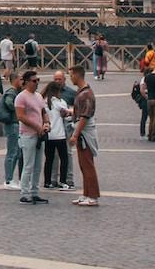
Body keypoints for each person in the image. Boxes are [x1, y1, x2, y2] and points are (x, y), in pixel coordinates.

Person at [13, 69, 49, 204]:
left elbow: (43, 111)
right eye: (34, 81)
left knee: (38, 165)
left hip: (39, 134)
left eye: (38, 80)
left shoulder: (39, 96)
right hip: (27, 135)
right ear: (27, 82)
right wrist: (36, 126)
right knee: (28, 164)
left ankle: (34, 192)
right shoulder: (21, 97)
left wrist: (46, 123)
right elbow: (20, 116)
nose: (37, 83)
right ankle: (25, 193)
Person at [69, 63, 102, 207]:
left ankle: (93, 195)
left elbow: (84, 116)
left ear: (77, 75)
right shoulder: (82, 92)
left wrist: (75, 134)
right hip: (82, 131)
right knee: (83, 165)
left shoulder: (86, 94)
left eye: (71, 75)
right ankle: (86, 193)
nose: (70, 78)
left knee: (87, 164)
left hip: (84, 133)